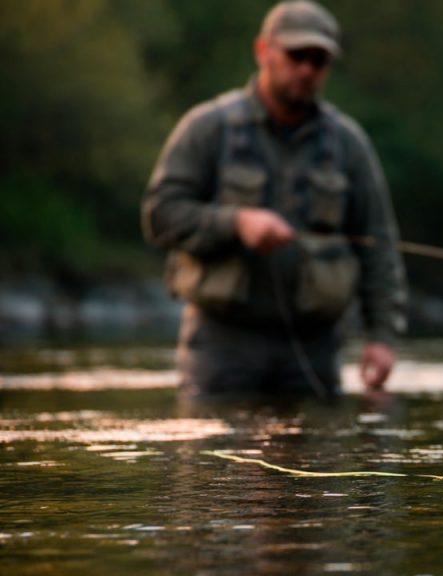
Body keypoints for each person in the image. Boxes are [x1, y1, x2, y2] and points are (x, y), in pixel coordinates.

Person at [142, 0, 406, 397]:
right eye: (296, 55)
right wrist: (236, 222)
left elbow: (379, 244)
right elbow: (159, 215)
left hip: (315, 347)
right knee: (212, 460)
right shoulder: (208, 128)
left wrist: (382, 337)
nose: (306, 69)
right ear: (263, 51)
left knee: (320, 457)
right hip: (221, 344)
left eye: (318, 61)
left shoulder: (349, 145)